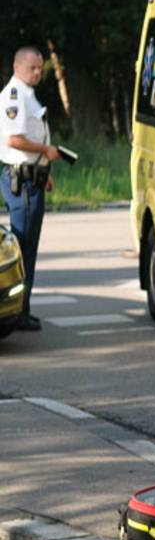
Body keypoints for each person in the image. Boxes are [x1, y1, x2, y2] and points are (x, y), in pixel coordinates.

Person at [1, 46, 61, 332]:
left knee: (29, 247)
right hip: (21, 180)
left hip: (31, 177)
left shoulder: (27, 93)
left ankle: (22, 309)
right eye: (32, 68)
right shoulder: (15, 95)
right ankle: (17, 313)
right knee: (23, 247)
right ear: (18, 67)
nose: (38, 73)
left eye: (39, 68)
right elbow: (14, 140)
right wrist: (45, 150)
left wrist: (43, 171)